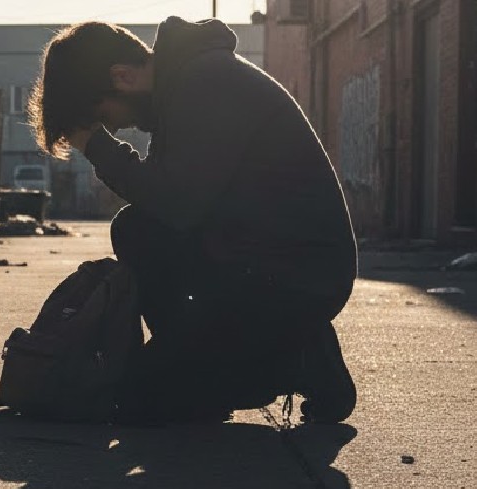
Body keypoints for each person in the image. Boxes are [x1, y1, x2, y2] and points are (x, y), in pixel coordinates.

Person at [28, 18, 358, 425]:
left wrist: (98, 146)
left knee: (134, 399)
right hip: (262, 267)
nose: (119, 128)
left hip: (292, 281)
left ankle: (295, 359)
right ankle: (240, 360)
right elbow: (166, 208)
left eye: (107, 118)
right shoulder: (186, 87)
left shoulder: (206, 85)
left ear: (123, 77)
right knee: (137, 229)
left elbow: (177, 205)